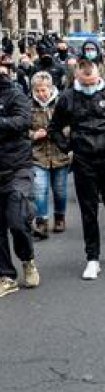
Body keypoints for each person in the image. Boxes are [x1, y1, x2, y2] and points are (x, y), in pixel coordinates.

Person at [49, 60, 105, 280]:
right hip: (83, 160)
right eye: (85, 82)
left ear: (99, 76)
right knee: (88, 211)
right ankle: (92, 259)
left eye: (94, 81)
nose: (90, 85)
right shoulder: (68, 98)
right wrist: (67, 149)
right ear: (77, 77)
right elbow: (55, 128)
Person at [0, 61, 39, 296]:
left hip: (17, 167)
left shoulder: (14, 94)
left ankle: (28, 260)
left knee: (17, 220)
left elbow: (23, 122)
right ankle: (6, 275)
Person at [29, 72, 71, 239]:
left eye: (44, 90)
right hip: (38, 155)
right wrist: (33, 134)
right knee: (40, 189)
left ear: (51, 88)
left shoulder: (62, 103)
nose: (41, 93)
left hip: (59, 154)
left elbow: (72, 124)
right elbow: (20, 127)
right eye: (38, 90)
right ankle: (42, 222)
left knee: (60, 190)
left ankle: (59, 216)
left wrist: (58, 133)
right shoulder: (28, 105)